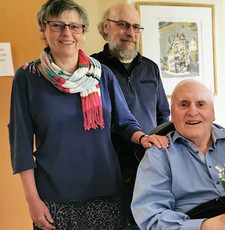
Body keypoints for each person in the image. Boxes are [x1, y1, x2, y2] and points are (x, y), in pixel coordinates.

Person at [9, 0, 167, 229]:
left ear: (83, 32)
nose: (67, 33)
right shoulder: (28, 77)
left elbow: (124, 122)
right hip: (54, 197)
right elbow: (20, 144)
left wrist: (143, 138)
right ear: (43, 30)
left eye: (75, 26)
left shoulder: (102, 74)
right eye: (57, 25)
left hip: (107, 192)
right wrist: (32, 200)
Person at [130, 80, 225, 230]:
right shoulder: (158, 155)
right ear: (172, 114)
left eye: (201, 104)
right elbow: (151, 217)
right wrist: (209, 225)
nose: (192, 112)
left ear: (213, 113)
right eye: (184, 104)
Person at [91, 3, 170, 228]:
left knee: (145, 222)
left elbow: (163, 114)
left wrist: (162, 151)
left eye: (136, 27)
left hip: (147, 162)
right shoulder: (91, 68)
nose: (131, 32)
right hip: (108, 165)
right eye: (123, 25)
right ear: (106, 28)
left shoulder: (151, 68)